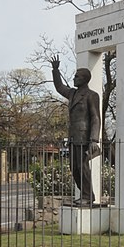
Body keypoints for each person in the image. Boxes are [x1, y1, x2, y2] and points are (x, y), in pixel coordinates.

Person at [50, 55, 101, 205]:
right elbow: (59, 87)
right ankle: (84, 195)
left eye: (77, 77)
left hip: (85, 137)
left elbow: (96, 118)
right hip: (73, 137)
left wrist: (93, 140)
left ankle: (87, 197)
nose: (74, 79)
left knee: (82, 167)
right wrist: (55, 70)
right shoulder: (72, 93)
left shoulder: (92, 95)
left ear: (84, 79)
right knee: (74, 168)